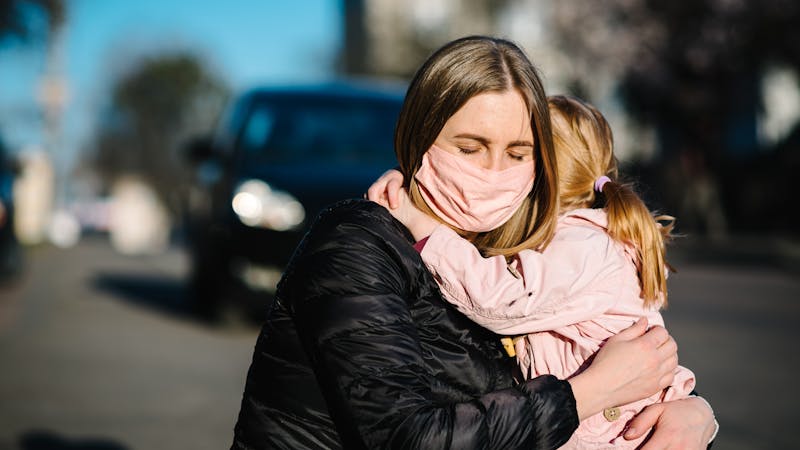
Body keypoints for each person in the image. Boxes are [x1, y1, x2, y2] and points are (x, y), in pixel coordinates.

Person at [231, 36, 716, 449]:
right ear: (420, 138)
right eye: (470, 148)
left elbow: (611, 343)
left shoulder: (516, 248)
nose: (493, 173)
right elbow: (408, 435)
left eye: (517, 153)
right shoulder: (355, 244)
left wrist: (693, 415)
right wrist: (591, 392)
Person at [368, 94, 717, 448]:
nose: (495, 172)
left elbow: (502, 299)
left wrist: (424, 227)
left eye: (517, 155)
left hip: (610, 431)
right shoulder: (588, 238)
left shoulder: (582, 245)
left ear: (540, 175)